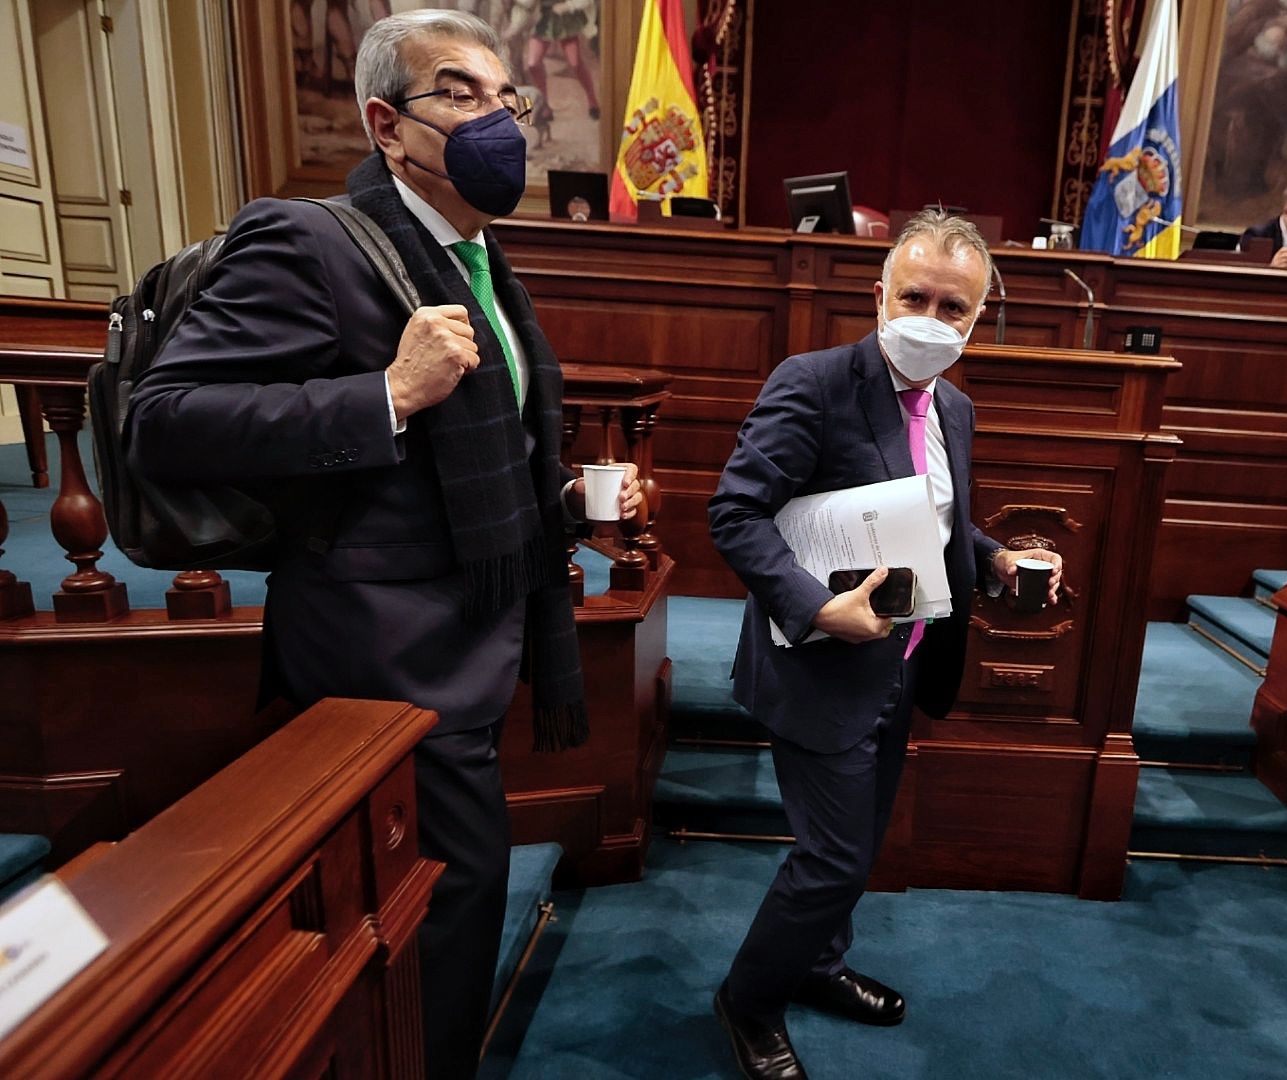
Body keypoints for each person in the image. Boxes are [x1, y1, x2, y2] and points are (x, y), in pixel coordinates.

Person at [128, 10, 639, 1077]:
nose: (496, 118)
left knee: (454, 897)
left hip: (476, 634)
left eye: (507, 98)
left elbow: (478, 444)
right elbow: (165, 421)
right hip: (381, 650)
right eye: (458, 93)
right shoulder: (307, 239)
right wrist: (385, 395)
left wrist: (563, 496)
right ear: (385, 125)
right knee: (446, 908)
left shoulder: (477, 255)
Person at [707, 210, 1063, 1080]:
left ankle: (817, 965)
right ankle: (747, 1000)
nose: (930, 320)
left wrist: (995, 553)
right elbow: (735, 514)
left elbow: (940, 522)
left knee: (857, 847)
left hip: (902, 664)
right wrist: (814, 608)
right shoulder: (814, 381)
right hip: (819, 663)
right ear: (878, 295)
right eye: (915, 296)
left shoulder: (957, 408)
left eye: (954, 308)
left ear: (977, 319)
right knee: (830, 858)